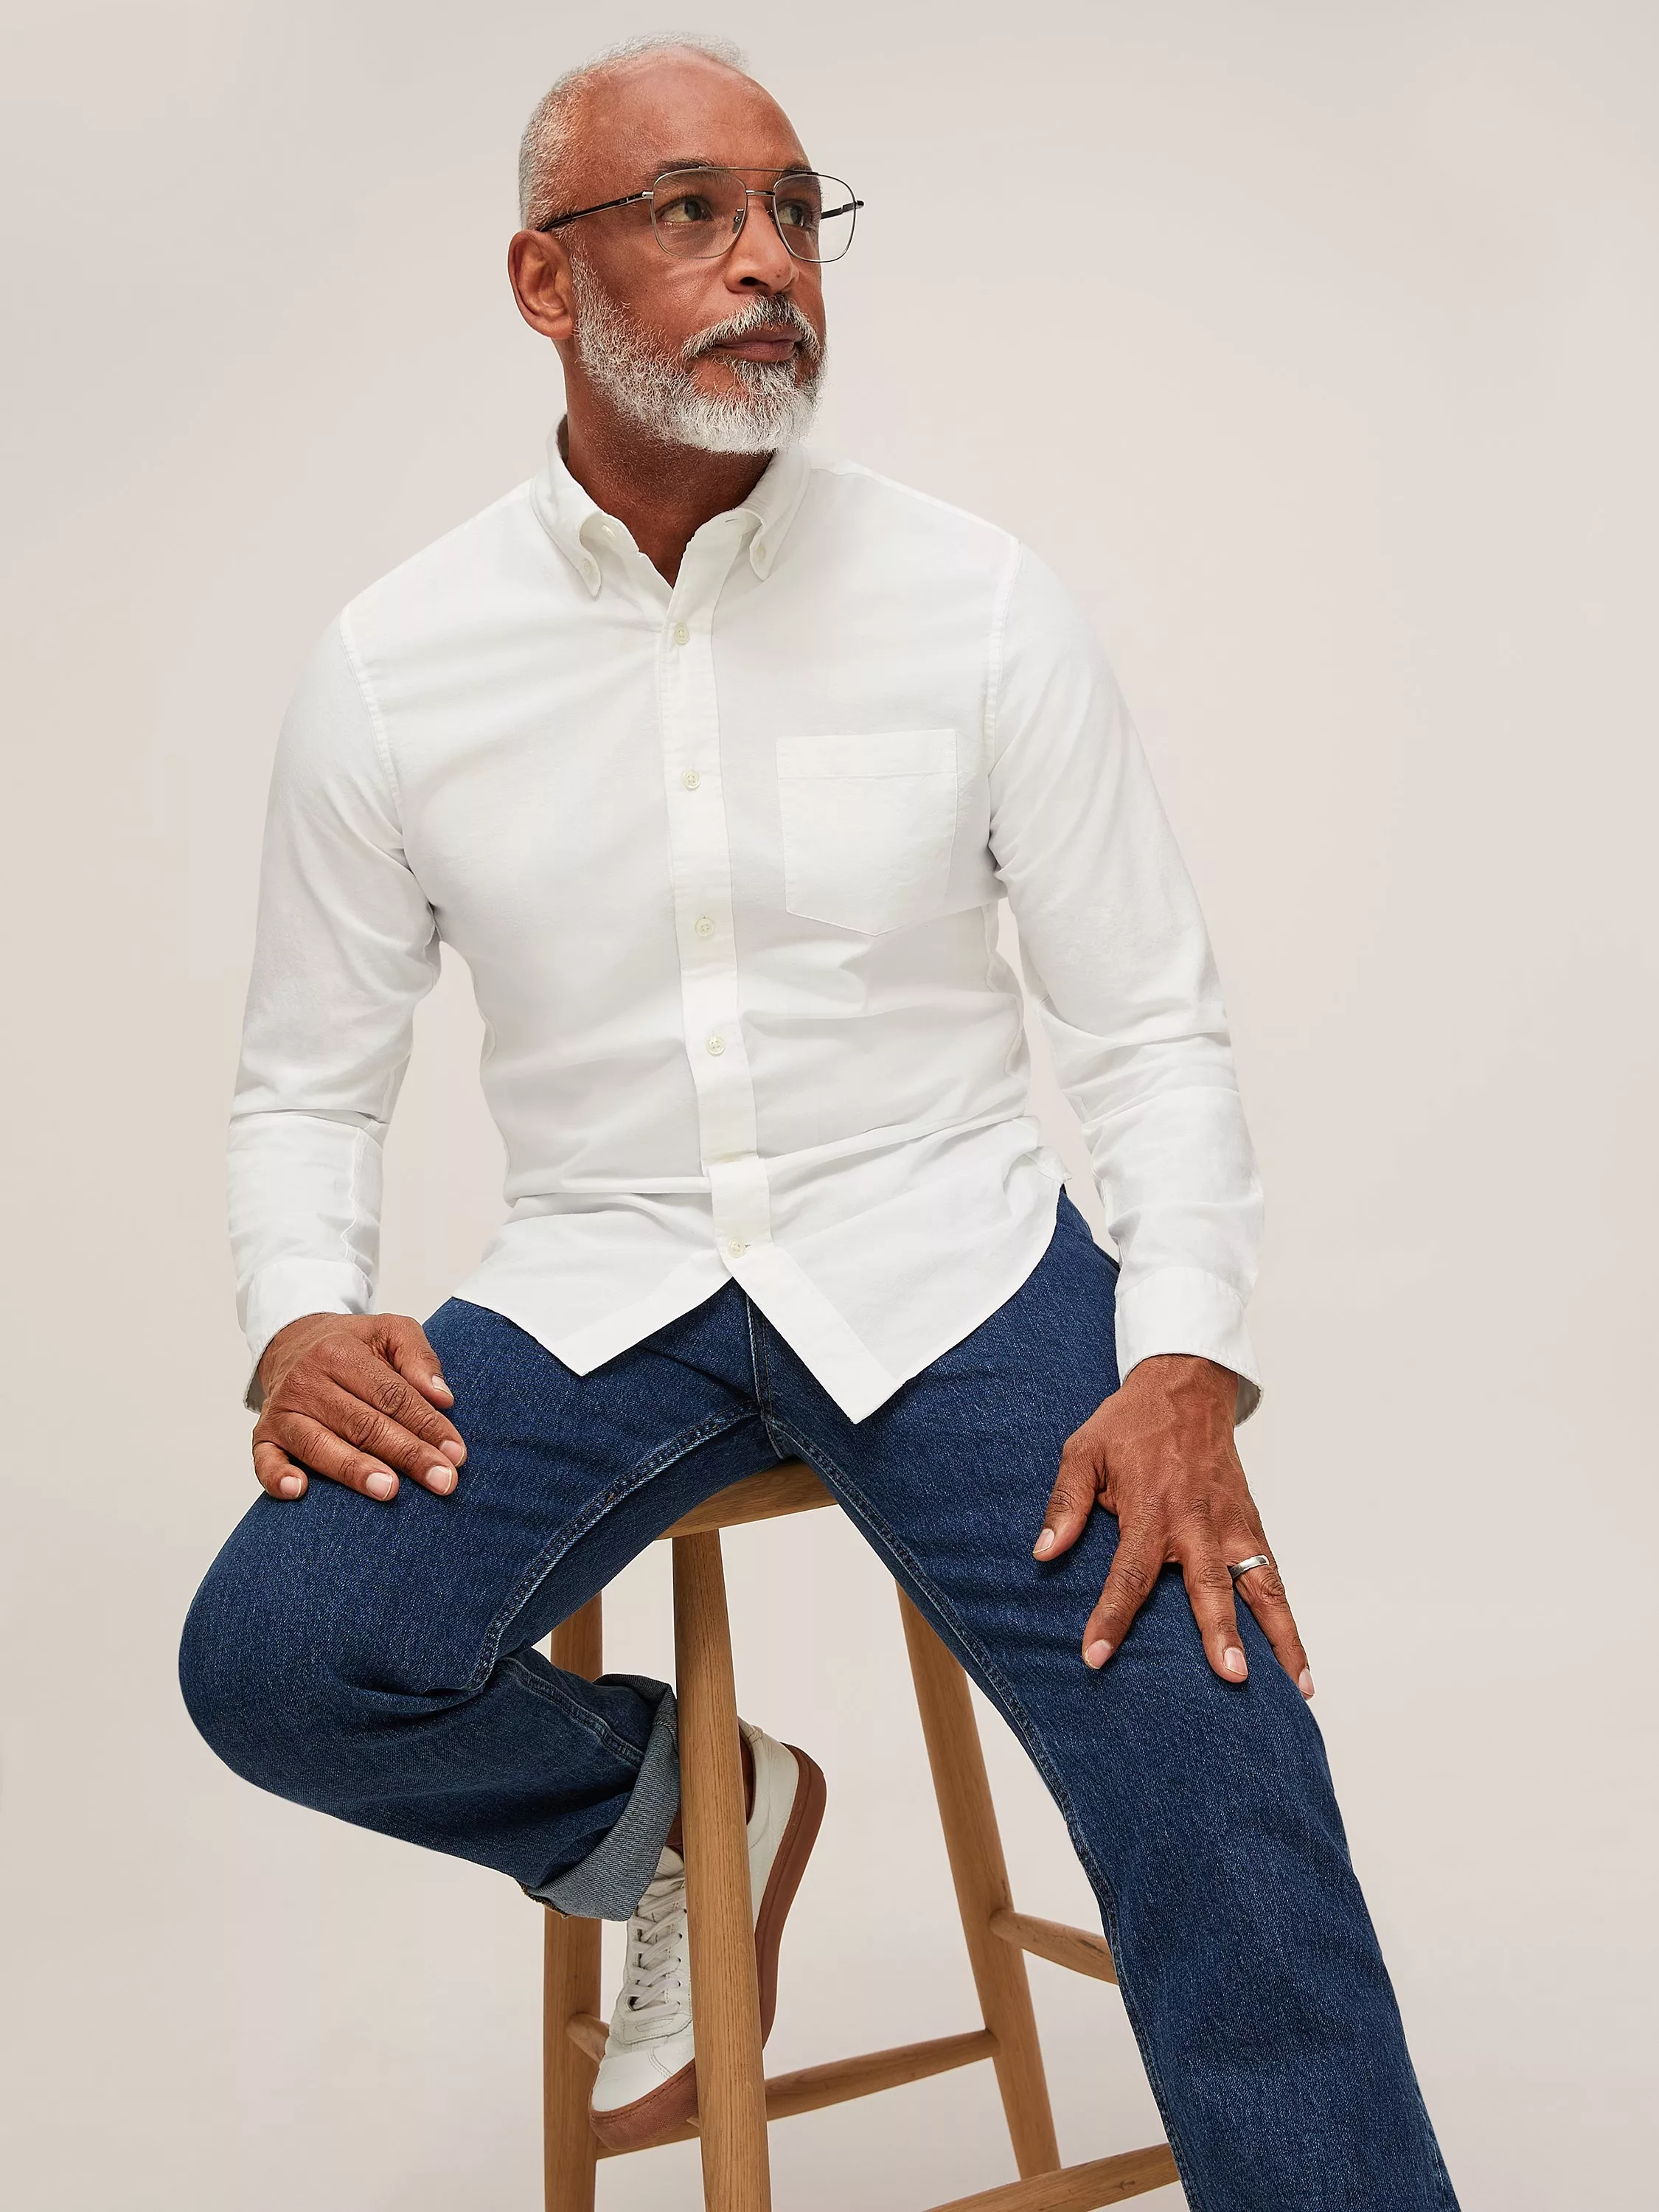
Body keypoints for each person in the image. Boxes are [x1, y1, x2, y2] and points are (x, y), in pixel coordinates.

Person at [179, 33, 1460, 2206]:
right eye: (695, 213)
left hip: (949, 1262)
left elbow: (1149, 1028)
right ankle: (676, 1811)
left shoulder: (978, 602)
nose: (769, 261)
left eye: (794, 212)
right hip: (606, 1287)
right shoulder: (396, 666)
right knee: (282, 1650)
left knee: (1223, 1771)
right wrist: (301, 1312)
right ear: (544, 280)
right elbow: (306, 1080)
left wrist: (1184, 1353)